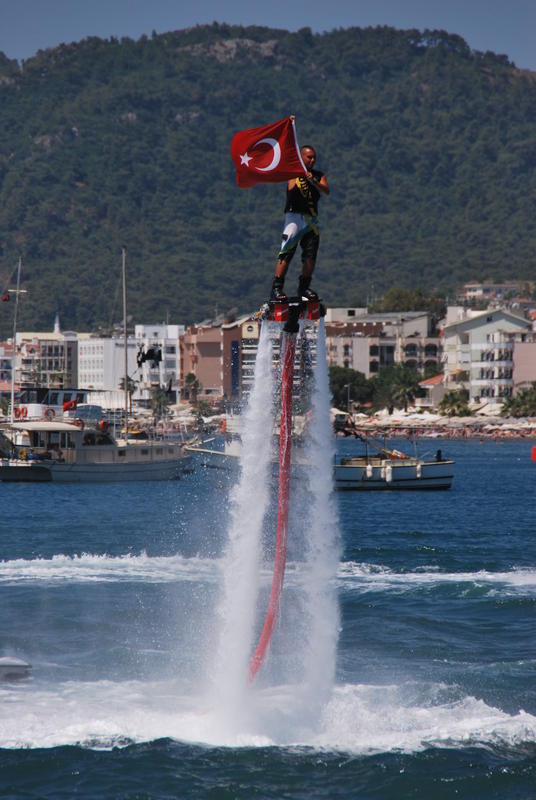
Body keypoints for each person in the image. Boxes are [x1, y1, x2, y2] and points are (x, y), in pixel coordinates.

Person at [270, 144, 330, 302]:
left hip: (310, 219)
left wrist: (313, 181)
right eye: (309, 157)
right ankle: (276, 288)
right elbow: (291, 186)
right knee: (286, 253)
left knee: (311, 256)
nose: (312, 160)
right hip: (294, 217)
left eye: (314, 157)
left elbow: (326, 190)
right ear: (301, 157)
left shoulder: (318, 175)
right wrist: (299, 173)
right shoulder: (293, 172)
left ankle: (303, 288)